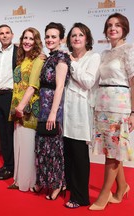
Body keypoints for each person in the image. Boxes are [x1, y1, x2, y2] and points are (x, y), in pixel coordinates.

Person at [89, 13, 134, 211]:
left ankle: (104, 195)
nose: (112, 28)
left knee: (113, 153)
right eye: (109, 25)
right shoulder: (105, 54)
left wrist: (133, 112)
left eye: (117, 25)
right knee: (111, 150)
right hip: (102, 106)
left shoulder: (130, 50)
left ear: (125, 28)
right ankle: (122, 186)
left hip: (119, 107)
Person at [63, 23, 101, 208]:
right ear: (69, 39)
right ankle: (70, 190)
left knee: (79, 156)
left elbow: (87, 82)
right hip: (66, 111)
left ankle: (81, 197)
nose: (77, 38)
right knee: (68, 153)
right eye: (73, 35)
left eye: (81, 35)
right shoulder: (66, 57)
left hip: (81, 112)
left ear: (87, 38)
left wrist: (72, 63)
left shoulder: (94, 57)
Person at [35, 22, 71, 200]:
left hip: (53, 108)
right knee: (43, 146)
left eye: (53, 37)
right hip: (43, 106)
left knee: (54, 148)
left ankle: (57, 184)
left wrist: (52, 113)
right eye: (47, 36)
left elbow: (59, 88)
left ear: (61, 39)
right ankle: (44, 180)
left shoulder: (62, 59)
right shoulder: (49, 57)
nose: (49, 39)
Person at [7, 27, 44, 191]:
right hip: (17, 106)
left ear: (36, 42)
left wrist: (21, 106)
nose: (27, 41)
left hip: (28, 108)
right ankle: (18, 180)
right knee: (19, 144)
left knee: (28, 146)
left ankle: (28, 182)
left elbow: (33, 86)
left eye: (31, 39)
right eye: (25, 38)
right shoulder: (23, 59)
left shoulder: (38, 60)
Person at [0, 24, 17, 180]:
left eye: (7, 33)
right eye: (1, 33)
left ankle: (13, 167)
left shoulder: (19, 52)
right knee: (3, 134)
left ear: (12, 35)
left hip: (12, 97)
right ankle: (7, 164)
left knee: (11, 134)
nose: (5, 35)